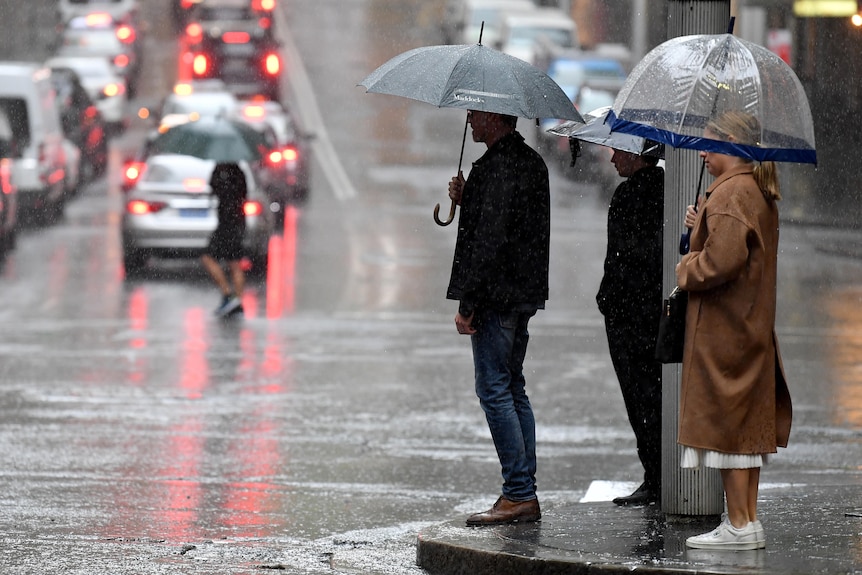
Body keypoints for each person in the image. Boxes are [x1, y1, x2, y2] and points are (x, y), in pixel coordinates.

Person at [676, 111, 792, 550]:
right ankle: (747, 520)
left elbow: (720, 263)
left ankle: (739, 524)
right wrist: (700, 226)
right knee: (745, 431)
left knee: (727, 428)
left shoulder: (732, 193)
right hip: (750, 325)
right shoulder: (756, 190)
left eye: (708, 144)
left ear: (729, 142)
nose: (702, 152)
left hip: (725, 330)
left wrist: (687, 265)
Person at [446, 109, 550, 526]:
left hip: (497, 298)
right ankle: (523, 489)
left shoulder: (500, 167)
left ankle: (519, 493)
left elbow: (491, 240)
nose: (469, 119)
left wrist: (469, 303)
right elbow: (514, 225)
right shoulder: (526, 162)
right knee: (512, 388)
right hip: (520, 295)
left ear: (496, 117)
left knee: (494, 390)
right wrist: (469, 196)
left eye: (475, 113)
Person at [594, 144, 665, 506]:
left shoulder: (630, 195)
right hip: (652, 312)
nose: (612, 158)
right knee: (654, 395)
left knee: (640, 397)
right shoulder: (666, 190)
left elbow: (623, 258)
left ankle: (655, 476)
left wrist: (608, 300)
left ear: (638, 155)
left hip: (629, 315)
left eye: (619, 151)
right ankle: (660, 473)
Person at [201, 161, 247, 318]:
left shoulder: (225, 172)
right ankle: (237, 302)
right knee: (234, 263)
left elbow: (215, 189)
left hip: (228, 224)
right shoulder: (239, 172)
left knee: (208, 257)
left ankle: (229, 295)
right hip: (237, 221)